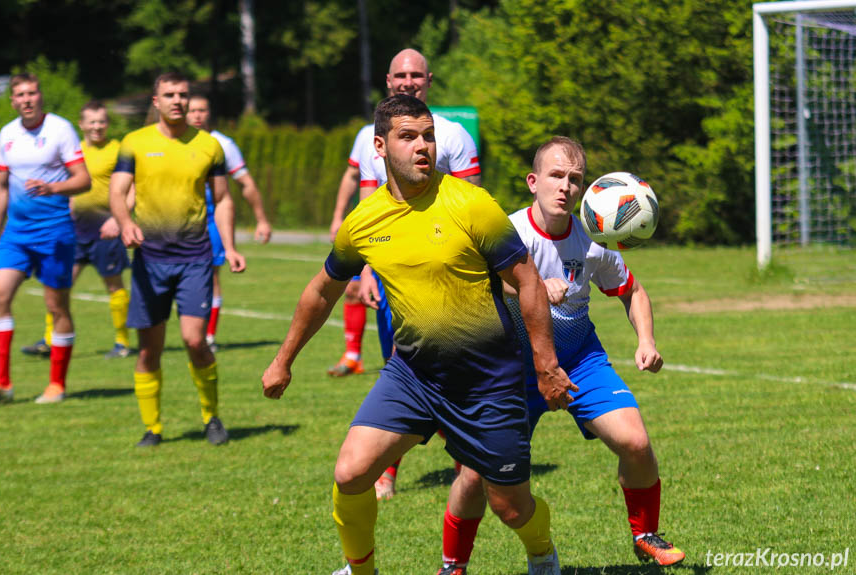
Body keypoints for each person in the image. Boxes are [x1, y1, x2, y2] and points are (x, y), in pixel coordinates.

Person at [263, 95, 576, 575]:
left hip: (487, 380)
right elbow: (321, 292)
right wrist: (283, 360)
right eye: (408, 137)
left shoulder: (471, 204)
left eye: (427, 135)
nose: (422, 146)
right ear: (380, 146)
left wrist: (546, 365)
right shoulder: (363, 221)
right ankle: (360, 570)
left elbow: (528, 282)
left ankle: (542, 553)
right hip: (413, 375)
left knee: (510, 507)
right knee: (350, 473)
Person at [436, 137, 685, 574]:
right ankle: (453, 564)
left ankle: (645, 534)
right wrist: (528, 285)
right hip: (512, 367)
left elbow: (633, 291)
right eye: (556, 176)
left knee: (636, 443)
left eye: (575, 179)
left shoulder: (593, 238)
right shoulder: (506, 232)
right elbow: (477, 284)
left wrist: (646, 340)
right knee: (474, 475)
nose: (566, 187)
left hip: (579, 357)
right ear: (533, 182)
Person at [330, 48, 483, 500]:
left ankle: (468, 466)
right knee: (398, 365)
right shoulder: (367, 138)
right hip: (392, 275)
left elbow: (471, 210)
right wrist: (366, 274)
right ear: (388, 79)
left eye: (416, 75)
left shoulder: (453, 136)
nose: (408, 81)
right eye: (401, 74)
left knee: (453, 372)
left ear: (429, 80)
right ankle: (385, 472)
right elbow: (367, 213)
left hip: (447, 277)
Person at [109, 72, 246, 447]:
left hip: (195, 258)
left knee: (194, 340)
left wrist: (230, 247)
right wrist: (124, 224)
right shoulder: (134, 143)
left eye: (182, 95)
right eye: (169, 94)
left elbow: (224, 199)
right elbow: (118, 191)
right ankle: (152, 428)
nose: (177, 101)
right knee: (149, 350)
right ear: (155, 101)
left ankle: (211, 417)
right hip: (149, 260)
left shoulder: (209, 146)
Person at [0, 73, 91, 404]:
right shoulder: (7, 134)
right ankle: (1, 383)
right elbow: (1, 185)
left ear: (40, 96)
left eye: (32, 93)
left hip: (55, 232)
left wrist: (54, 188)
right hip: (16, 234)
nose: (26, 99)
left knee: (56, 306)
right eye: (19, 94)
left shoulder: (60, 130)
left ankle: (56, 385)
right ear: (13, 100)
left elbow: (83, 180)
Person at [20, 100, 133, 360]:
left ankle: (122, 342)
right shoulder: (74, 151)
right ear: (81, 124)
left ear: (107, 123)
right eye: (91, 122)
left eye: (102, 121)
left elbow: (133, 188)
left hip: (106, 229)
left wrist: (120, 219)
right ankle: (50, 341)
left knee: (114, 286)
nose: (97, 127)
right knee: (58, 283)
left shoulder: (118, 150)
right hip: (74, 231)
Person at [186, 94, 272, 352]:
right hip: (177, 223)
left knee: (210, 276)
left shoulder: (222, 144)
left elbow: (245, 183)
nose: (197, 115)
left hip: (210, 220)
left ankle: (208, 336)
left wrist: (261, 219)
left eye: (202, 110)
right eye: (193, 110)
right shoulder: (173, 143)